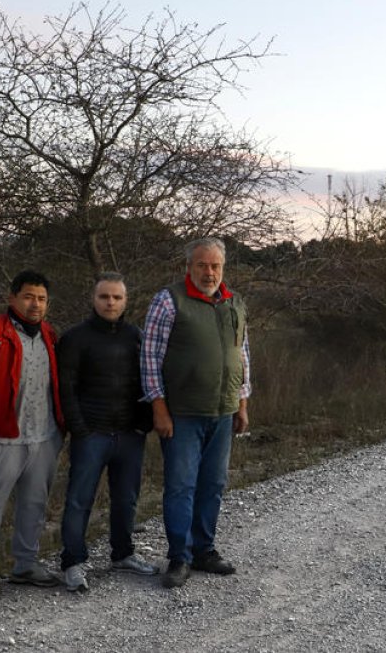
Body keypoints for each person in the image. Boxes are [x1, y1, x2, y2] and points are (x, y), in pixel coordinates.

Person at [142, 238, 251, 589]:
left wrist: (242, 402)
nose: (209, 272)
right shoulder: (168, 301)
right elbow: (150, 359)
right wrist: (159, 407)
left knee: (213, 484)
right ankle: (180, 556)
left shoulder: (234, 303)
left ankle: (204, 550)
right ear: (189, 266)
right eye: (202, 265)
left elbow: (242, 355)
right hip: (182, 413)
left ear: (223, 268)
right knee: (181, 486)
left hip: (223, 411)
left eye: (215, 266)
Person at [0, 270, 64, 601]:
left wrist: (60, 431)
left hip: (43, 438)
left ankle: (25, 565)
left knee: (34, 505)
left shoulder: (49, 335)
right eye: (28, 297)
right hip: (3, 441)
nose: (35, 304)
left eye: (42, 299)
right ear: (12, 298)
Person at [57, 273, 159, 593]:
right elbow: (65, 388)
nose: (110, 302)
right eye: (104, 296)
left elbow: (149, 381)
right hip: (92, 434)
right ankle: (73, 562)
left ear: (125, 301)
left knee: (126, 498)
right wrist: (80, 429)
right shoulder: (75, 338)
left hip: (129, 434)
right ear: (94, 299)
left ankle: (123, 554)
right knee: (79, 499)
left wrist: (144, 423)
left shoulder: (137, 337)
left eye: (117, 297)